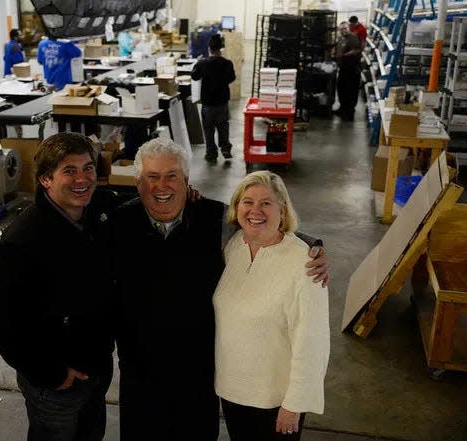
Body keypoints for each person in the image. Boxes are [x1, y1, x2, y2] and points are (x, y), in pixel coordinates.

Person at [110, 139, 329, 441]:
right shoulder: (117, 222)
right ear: (138, 182)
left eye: (172, 175)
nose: (163, 186)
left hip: (199, 376)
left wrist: (313, 246)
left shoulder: (211, 218)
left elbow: (262, 224)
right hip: (141, 373)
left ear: (186, 182)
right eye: (152, 176)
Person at [0, 132, 119, 441]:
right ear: (46, 179)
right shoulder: (22, 242)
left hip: (97, 366)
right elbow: (0, 324)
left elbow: (142, 205)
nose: (82, 179)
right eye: (68, 171)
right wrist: (52, 374)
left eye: (87, 168)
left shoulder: (98, 209)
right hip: (57, 382)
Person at [214, 171, 330, 441]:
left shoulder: (305, 264)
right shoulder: (233, 246)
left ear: (282, 210)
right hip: (232, 391)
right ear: (236, 207)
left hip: (275, 401)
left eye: (266, 203)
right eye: (248, 202)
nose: (256, 210)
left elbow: (312, 343)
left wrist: (294, 404)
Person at [191, 33, 236, 162]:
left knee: (208, 129)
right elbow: (231, 78)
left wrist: (197, 63)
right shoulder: (227, 63)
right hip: (222, 102)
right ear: (220, 48)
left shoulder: (203, 63)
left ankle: (211, 153)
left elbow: (194, 76)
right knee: (223, 126)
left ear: (209, 48)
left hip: (208, 103)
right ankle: (225, 148)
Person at [335, 22, 362, 121]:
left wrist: (346, 56)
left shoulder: (353, 38)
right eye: (341, 29)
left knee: (350, 91)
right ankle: (342, 109)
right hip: (343, 69)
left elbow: (356, 51)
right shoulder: (341, 39)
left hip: (351, 70)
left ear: (348, 28)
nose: (343, 31)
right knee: (341, 89)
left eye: (345, 28)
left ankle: (349, 113)